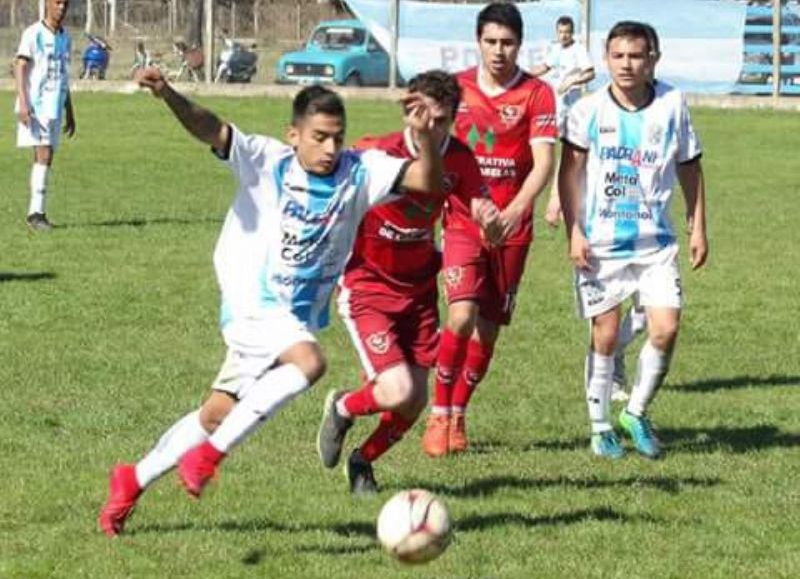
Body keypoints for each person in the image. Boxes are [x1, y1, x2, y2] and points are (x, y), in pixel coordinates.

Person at [98, 68, 443, 537]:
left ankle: (131, 481)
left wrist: (423, 138)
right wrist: (168, 94)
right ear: (294, 134)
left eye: (336, 139)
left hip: (294, 315)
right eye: (319, 138)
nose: (329, 149)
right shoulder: (267, 161)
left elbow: (427, 181)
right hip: (250, 300)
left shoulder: (360, 171)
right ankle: (210, 456)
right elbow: (211, 127)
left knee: (218, 412)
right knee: (310, 362)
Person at [316, 70, 502, 493]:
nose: (432, 129)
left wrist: (489, 219)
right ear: (408, 109)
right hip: (368, 288)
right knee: (397, 389)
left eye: (442, 121)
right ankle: (343, 406)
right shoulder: (374, 153)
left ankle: (362, 461)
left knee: (415, 400)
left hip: (418, 292)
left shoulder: (458, 157)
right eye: (425, 118)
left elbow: (479, 204)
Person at [558, 21, 708, 460]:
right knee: (605, 335)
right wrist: (574, 230)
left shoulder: (673, 103)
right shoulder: (586, 111)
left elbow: (691, 167)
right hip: (601, 243)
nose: (626, 64)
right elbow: (570, 175)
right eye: (618, 55)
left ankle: (636, 412)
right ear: (606, 59)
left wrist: (698, 225)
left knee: (666, 327)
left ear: (653, 60)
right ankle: (600, 426)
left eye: (636, 56)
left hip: (655, 242)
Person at [420, 1, 557, 456]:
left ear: (520, 44)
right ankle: (438, 417)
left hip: (513, 228)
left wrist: (516, 210)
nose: (499, 51)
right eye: (491, 42)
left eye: (508, 43)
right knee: (460, 316)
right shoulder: (455, 91)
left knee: (488, 330)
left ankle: (459, 412)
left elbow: (543, 163)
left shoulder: (537, 93)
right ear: (477, 42)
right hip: (463, 221)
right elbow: (431, 151)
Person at [14, 0, 76, 232]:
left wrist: (70, 110)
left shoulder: (65, 37)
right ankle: (36, 214)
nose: (62, 7)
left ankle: (36, 211)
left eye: (65, 4)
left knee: (46, 157)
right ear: (48, 4)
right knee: (43, 153)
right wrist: (23, 102)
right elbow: (20, 66)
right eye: (57, 2)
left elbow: (63, 74)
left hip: (55, 105)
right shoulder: (33, 33)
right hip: (37, 105)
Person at [530, 15, 595, 230]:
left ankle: (559, 201)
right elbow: (545, 67)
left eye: (567, 32)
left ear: (572, 32)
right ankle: (537, 191)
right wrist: (524, 75)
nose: (564, 35)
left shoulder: (579, 50)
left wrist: (572, 80)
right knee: (541, 148)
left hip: (571, 110)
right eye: (561, 32)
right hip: (553, 106)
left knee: (567, 156)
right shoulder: (555, 49)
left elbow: (590, 72)